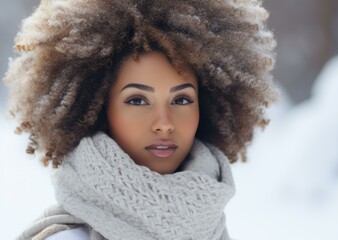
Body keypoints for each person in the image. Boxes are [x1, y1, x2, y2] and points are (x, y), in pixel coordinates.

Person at [4, 0, 276, 239]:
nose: (164, 122)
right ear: (98, 109)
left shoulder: (213, 228)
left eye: (181, 100)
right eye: (137, 100)